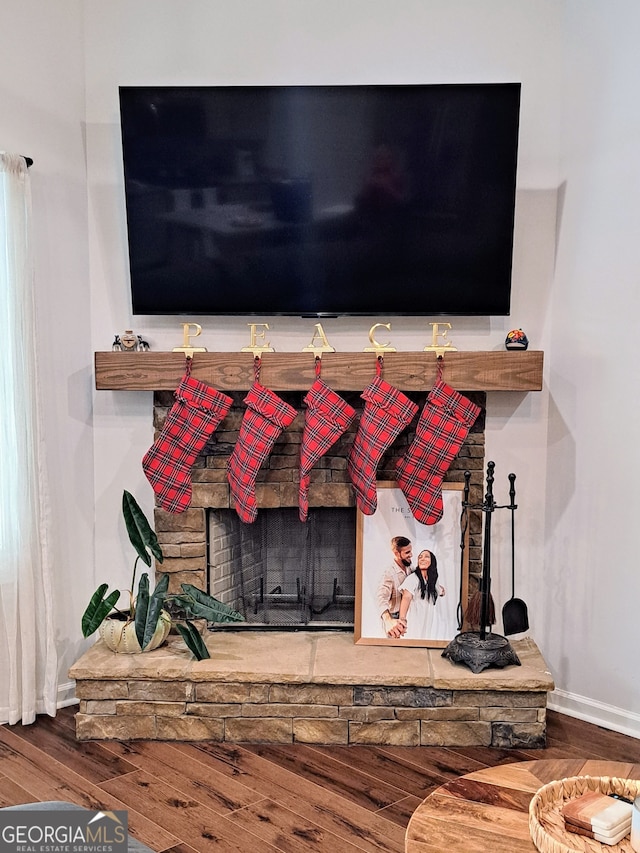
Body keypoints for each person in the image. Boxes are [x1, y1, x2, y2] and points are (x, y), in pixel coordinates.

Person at [387, 549, 446, 640]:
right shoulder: (413, 579)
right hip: (413, 623)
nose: (422, 559)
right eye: (420, 557)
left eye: (426, 556)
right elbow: (406, 598)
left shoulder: (433, 581)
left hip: (426, 623)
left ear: (432, 561)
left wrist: (441, 591)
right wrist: (402, 619)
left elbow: (440, 590)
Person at [376, 535, 414, 637]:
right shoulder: (388, 573)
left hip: (409, 616)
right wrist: (389, 621)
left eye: (410, 551)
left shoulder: (410, 567)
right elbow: (381, 598)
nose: (411, 555)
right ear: (396, 553)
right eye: (407, 552)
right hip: (394, 618)